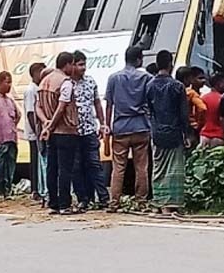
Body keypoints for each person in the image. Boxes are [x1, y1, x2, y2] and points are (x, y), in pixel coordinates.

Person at [105, 46, 152, 212]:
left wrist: (107, 125)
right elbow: (150, 102)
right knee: (141, 167)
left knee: (118, 167)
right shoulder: (147, 77)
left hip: (120, 127)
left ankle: (114, 202)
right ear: (139, 59)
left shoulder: (114, 78)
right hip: (141, 126)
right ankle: (141, 201)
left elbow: (109, 104)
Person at [146, 50, 190, 213]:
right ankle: (172, 204)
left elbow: (149, 110)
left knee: (158, 168)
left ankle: (159, 202)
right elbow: (183, 114)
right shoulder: (177, 86)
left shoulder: (149, 86)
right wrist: (187, 134)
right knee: (174, 169)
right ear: (171, 64)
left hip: (157, 133)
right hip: (175, 132)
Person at [37, 52, 79, 215]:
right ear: (67, 64)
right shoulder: (65, 82)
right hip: (65, 131)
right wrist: (52, 125)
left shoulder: (44, 81)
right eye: (73, 64)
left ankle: (53, 203)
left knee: (52, 168)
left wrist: (45, 123)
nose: (74, 68)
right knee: (65, 169)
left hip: (51, 133)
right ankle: (64, 204)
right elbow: (62, 107)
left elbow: (38, 107)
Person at [69, 50, 110, 210]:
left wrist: (103, 123)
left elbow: (97, 103)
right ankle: (83, 199)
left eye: (84, 64)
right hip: (73, 133)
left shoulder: (90, 82)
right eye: (80, 65)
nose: (83, 68)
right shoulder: (66, 84)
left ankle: (103, 198)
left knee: (94, 164)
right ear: (72, 65)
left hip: (89, 131)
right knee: (76, 167)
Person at [0, 71, 21, 198]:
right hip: (0, 138)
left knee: (10, 166)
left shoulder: (10, 100)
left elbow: (18, 115)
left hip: (11, 138)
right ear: (0, 82)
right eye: (7, 82)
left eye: (10, 82)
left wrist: (12, 126)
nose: (9, 85)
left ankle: (7, 190)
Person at [24, 62, 47, 204]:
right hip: (35, 133)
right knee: (36, 161)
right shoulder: (31, 90)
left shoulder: (39, 88)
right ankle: (35, 190)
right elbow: (30, 113)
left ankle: (39, 188)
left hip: (39, 131)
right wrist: (37, 131)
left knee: (40, 160)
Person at [176, 66, 206, 151]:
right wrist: (199, 122)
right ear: (186, 79)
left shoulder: (173, 90)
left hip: (176, 127)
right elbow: (202, 108)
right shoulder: (191, 93)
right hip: (190, 127)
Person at [200, 71, 224, 147]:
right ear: (218, 84)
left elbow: (200, 117)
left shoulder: (203, 98)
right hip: (219, 136)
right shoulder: (222, 98)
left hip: (204, 135)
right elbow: (223, 119)